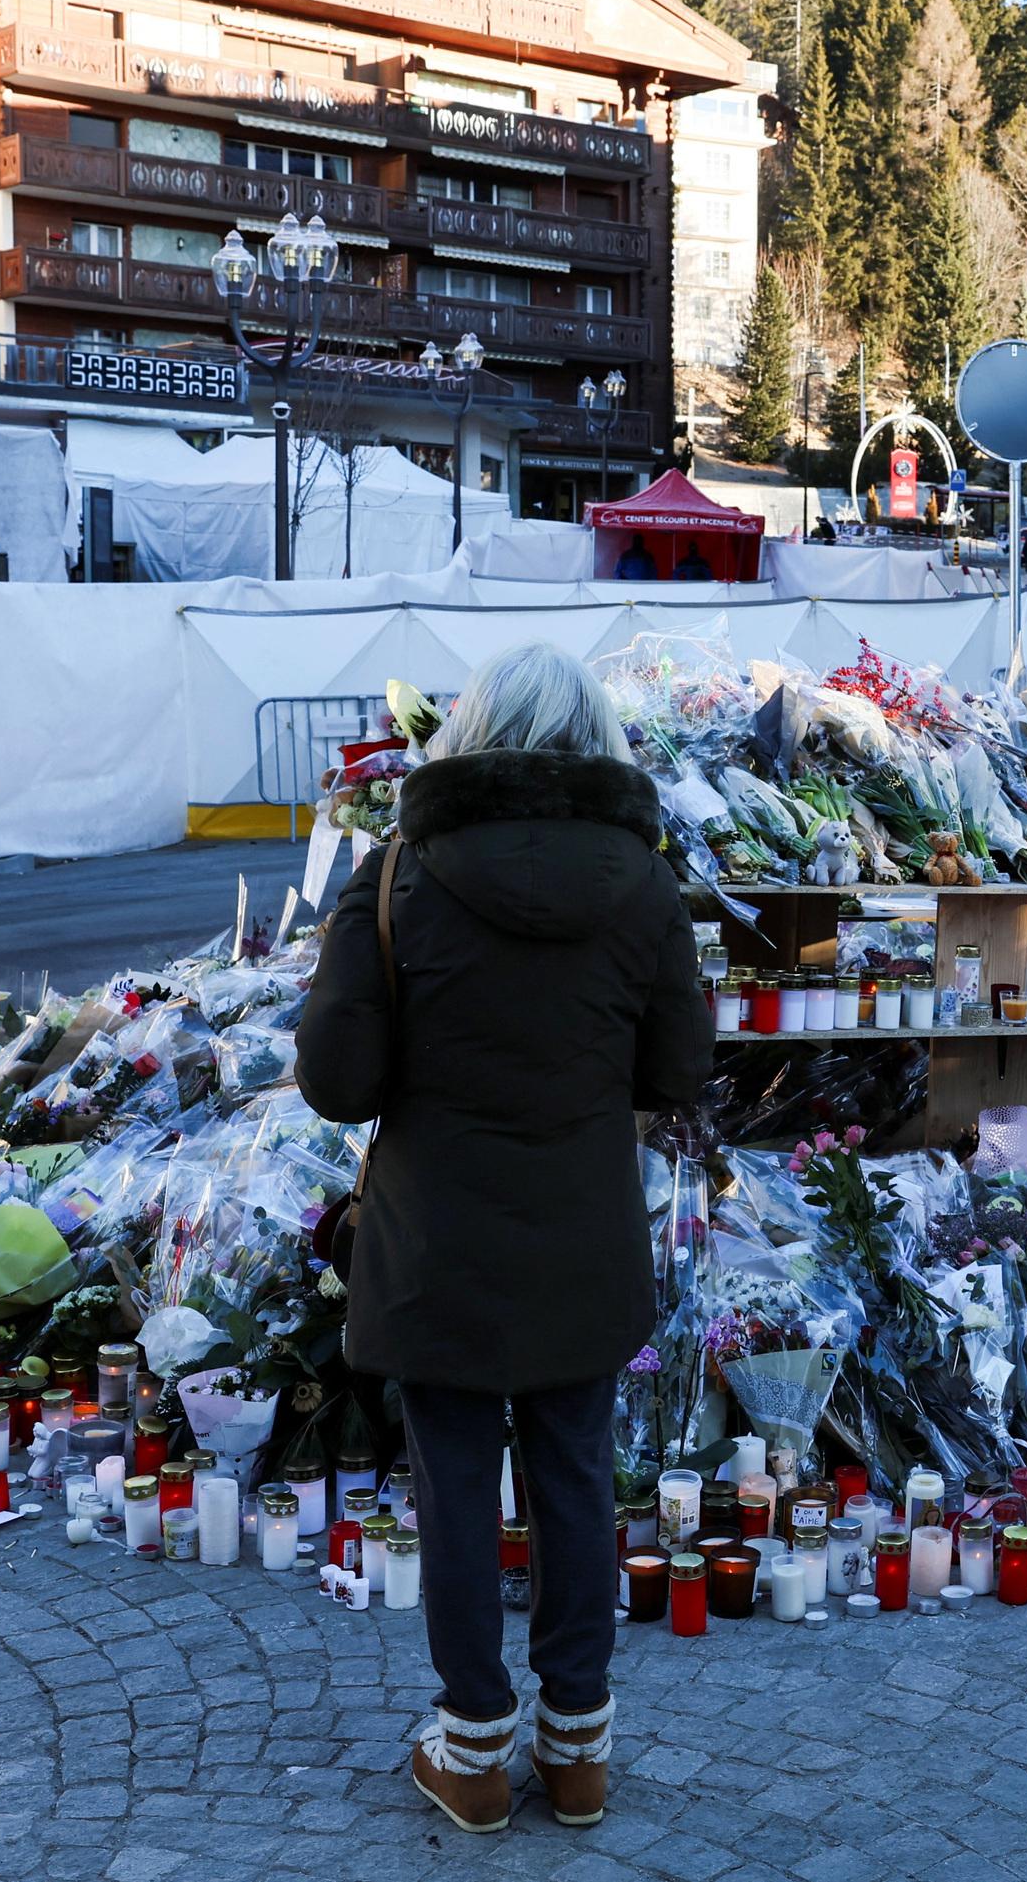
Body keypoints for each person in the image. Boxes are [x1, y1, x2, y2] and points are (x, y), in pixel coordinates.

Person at [295, 642, 712, 1834]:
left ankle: (473, 1746)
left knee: (456, 1488)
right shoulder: (645, 883)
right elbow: (680, 1071)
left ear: (469, 731)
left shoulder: (397, 874)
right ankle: (578, 1749)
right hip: (582, 1233)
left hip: (438, 1240)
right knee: (577, 1478)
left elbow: (337, 1083)